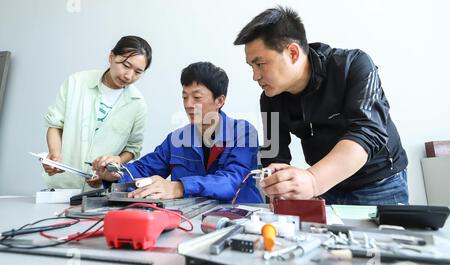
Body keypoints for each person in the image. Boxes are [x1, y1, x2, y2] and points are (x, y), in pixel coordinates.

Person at [234, 6, 408, 205]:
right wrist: (278, 183)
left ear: (292, 53)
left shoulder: (353, 65)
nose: (255, 76)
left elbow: (367, 132)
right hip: (327, 190)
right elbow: (275, 153)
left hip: (379, 184)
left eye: (260, 64)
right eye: (251, 67)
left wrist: (314, 180)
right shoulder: (270, 98)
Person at [92, 62, 263, 204]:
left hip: (240, 217)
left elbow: (232, 181)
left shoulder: (243, 133)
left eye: (196, 98)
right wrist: (115, 174)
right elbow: (144, 168)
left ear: (219, 101)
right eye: (184, 97)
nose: (188, 104)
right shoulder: (177, 139)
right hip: (191, 219)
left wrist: (179, 187)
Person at [43, 36, 152, 190]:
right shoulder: (76, 82)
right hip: (62, 184)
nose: (129, 75)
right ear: (111, 56)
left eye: (138, 72)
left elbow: (132, 149)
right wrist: (55, 155)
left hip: (100, 190)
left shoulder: (137, 104)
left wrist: (114, 163)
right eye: (126, 65)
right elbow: (55, 124)